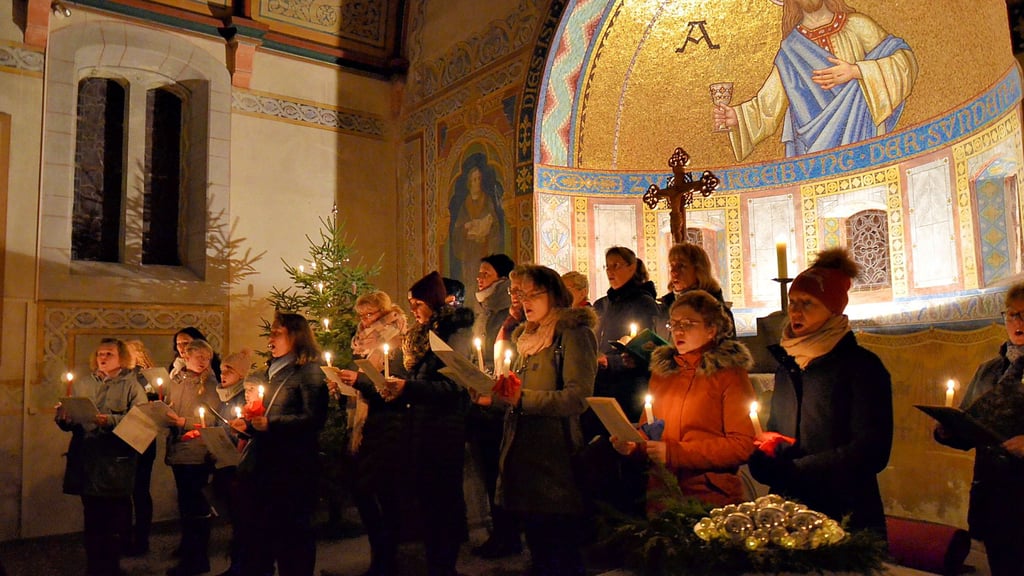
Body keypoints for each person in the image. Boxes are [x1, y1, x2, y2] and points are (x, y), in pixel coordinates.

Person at [748, 248, 892, 537]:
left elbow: (870, 451)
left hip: (845, 511)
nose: (795, 312)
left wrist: (798, 470)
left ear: (833, 309)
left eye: (808, 303)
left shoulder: (862, 367)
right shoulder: (787, 365)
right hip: (789, 508)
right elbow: (777, 431)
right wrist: (764, 456)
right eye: (793, 302)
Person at [712, 0, 917, 161]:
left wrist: (857, 71)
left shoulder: (857, 25)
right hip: (812, 150)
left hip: (862, 134)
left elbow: (904, 61)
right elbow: (768, 104)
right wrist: (738, 117)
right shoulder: (791, 49)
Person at [492, 264, 598, 576]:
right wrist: (491, 397)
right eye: (520, 295)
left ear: (553, 294)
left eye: (533, 294)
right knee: (536, 546)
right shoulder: (527, 337)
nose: (525, 302)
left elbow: (578, 398)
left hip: (555, 458)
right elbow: (515, 393)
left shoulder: (573, 334)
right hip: (522, 453)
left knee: (559, 549)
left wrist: (522, 399)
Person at [612, 291, 756, 512]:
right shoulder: (663, 373)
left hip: (710, 499)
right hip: (662, 496)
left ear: (711, 329)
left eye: (688, 324)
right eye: (674, 323)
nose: (678, 330)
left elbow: (742, 445)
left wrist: (674, 453)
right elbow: (650, 430)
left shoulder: (728, 374)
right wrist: (633, 445)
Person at [383, 271, 474, 576]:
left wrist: (408, 388)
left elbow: (454, 386)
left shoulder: (453, 332)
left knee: (443, 500)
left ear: (432, 301)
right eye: (410, 303)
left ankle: (445, 564)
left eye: (417, 303)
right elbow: (414, 380)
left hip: (444, 428)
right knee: (426, 500)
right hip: (420, 425)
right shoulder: (418, 337)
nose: (413, 309)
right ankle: (434, 560)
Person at [933, 283, 1024, 576]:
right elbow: (970, 423)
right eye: (1011, 315)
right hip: (995, 498)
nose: (1017, 323)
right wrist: (949, 430)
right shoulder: (989, 370)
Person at [229, 313, 328, 576]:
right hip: (263, 467)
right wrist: (248, 425)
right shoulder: (270, 371)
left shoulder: (309, 371)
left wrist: (271, 424)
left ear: (295, 336)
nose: (270, 338)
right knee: (259, 537)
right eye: (271, 332)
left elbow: (313, 418)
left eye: (277, 332)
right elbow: (262, 412)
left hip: (292, 468)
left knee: (292, 539)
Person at [56, 338, 148, 576]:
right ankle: (94, 568)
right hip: (87, 462)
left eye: (109, 354)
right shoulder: (84, 384)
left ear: (122, 359)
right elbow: (73, 423)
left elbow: (142, 420)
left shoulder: (132, 386)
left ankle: (111, 567)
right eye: (99, 354)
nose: (102, 358)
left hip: (115, 463)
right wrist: (64, 418)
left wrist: (110, 420)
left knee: (114, 522)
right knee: (92, 520)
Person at [334, 291, 409, 576]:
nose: (364, 322)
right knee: (363, 492)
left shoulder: (395, 341)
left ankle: (386, 559)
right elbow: (364, 385)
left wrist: (360, 382)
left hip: (386, 427)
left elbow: (388, 389)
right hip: (363, 426)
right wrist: (343, 387)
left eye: (370, 315)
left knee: (382, 497)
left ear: (384, 313)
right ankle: (379, 555)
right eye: (361, 316)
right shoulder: (361, 344)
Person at [468, 253, 521, 558]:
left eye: (485, 274)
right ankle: (500, 532)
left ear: (503, 279)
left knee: (502, 472)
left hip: (502, 404)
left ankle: (508, 534)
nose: (479, 279)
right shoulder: (485, 313)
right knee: (488, 471)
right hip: (484, 400)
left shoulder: (507, 318)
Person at [163, 339, 220, 576]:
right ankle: (189, 551)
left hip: (198, 451)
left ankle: (198, 559)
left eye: (207, 358)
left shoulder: (210, 385)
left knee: (197, 506)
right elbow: (170, 405)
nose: (204, 362)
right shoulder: (177, 381)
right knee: (186, 506)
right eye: (199, 357)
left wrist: (181, 422)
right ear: (186, 357)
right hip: (179, 449)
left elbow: (212, 420)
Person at [592, 246, 662, 423]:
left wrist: (612, 361)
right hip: (602, 382)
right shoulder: (602, 304)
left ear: (632, 267)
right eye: (607, 266)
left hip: (630, 385)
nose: (610, 271)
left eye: (616, 265)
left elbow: (648, 348)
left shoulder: (644, 303)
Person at [210, 348, 252, 576]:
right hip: (223, 462)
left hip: (238, 464)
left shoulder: (242, 397)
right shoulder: (223, 397)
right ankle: (236, 563)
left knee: (242, 519)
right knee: (234, 518)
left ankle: (241, 564)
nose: (223, 374)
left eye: (230, 370)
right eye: (222, 369)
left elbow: (244, 430)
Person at [448, 154, 507, 294]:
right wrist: (467, 229)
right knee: (471, 282)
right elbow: (457, 230)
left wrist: (486, 229)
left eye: (479, 179)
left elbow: (495, 225)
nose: (477, 182)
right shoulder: (465, 204)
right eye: (474, 180)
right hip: (469, 253)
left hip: (485, 249)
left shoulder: (487, 201)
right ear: (469, 183)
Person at [123, 339, 158, 557]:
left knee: (140, 490)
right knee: (125, 491)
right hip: (123, 437)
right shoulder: (122, 375)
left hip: (142, 436)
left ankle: (142, 538)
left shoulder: (147, 376)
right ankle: (125, 537)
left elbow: (152, 402)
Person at [658, 243, 734, 339]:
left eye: (681, 266)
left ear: (699, 270)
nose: (674, 272)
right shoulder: (665, 307)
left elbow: (725, 350)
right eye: (672, 265)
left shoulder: (716, 312)